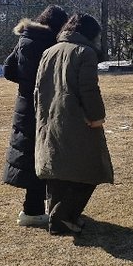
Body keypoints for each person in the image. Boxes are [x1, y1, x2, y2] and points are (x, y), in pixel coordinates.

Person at [34, 13, 114, 237]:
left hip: (50, 118)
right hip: (77, 120)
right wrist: (97, 116)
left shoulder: (49, 51)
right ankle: (62, 217)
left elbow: (38, 89)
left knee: (58, 170)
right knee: (90, 169)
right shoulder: (85, 52)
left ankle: (58, 216)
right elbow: (89, 89)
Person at [1, 5, 69, 227]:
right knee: (42, 156)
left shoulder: (25, 38)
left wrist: (25, 83)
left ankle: (34, 208)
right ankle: (33, 211)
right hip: (44, 106)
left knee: (29, 155)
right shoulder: (50, 43)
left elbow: (8, 70)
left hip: (23, 106)